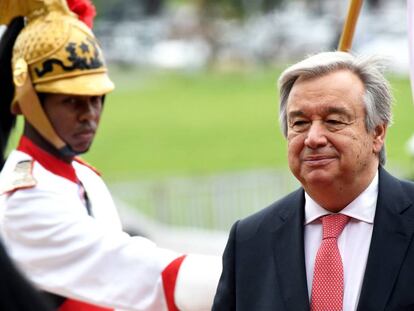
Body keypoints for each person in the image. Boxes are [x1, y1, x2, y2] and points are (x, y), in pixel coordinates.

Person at [0, 1, 221, 310]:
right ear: (27, 101)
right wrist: (246, 277)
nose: (89, 115)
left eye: (96, 99)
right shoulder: (25, 200)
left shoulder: (83, 176)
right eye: (72, 101)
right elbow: (134, 273)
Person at [212, 51, 414, 311]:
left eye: (333, 121)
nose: (314, 138)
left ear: (377, 133)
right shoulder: (250, 240)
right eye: (300, 123)